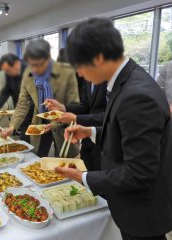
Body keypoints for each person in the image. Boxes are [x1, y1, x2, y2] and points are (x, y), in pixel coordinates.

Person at [56, 18, 172, 240]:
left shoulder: (137, 95)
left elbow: (139, 173)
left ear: (98, 58)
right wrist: (91, 132)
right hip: (136, 205)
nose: (79, 74)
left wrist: (85, 177)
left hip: (143, 210)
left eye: (79, 66)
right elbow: (126, 131)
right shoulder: (128, 80)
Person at [1, 40, 80, 157]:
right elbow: (22, 105)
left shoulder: (66, 73)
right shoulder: (28, 77)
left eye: (39, 64)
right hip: (40, 124)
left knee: (64, 161)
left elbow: (74, 105)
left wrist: (55, 123)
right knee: (37, 159)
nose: (36, 69)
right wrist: (12, 126)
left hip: (64, 124)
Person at [45, 80, 107, 171]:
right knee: (85, 174)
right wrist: (63, 108)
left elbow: (109, 115)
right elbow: (85, 107)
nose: (80, 74)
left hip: (104, 139)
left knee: (100, 178)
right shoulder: (88, 80)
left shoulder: (109, 79)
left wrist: (76, 118)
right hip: (87, 140)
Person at [0, 53, 33, 142]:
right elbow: (6, 90)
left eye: (8, 70)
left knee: (36, 142)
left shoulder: (30, 71)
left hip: (34, 111)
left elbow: (32, 96)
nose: (7, 73)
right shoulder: (10, 73)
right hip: (21, 110)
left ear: (16, 64)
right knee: (25, 139)